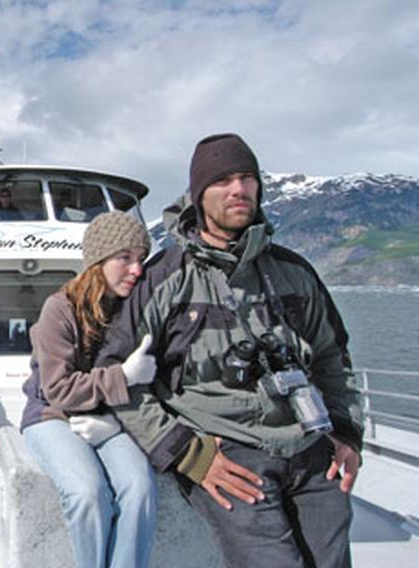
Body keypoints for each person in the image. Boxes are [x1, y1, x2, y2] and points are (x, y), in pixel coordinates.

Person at [96, 133, 363, 568]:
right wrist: (185, 453)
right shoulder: (165, 277)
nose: (239, 190)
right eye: (222, 180)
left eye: (247, 178)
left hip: (311, 448)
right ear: (199, 195)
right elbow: (114, 376)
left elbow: (333, 358)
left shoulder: (294, 273)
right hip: (228, 452)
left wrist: (347, 432)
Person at [20, 211, 159, 568]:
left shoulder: (134, 309)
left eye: (141, 259)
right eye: (125, 258)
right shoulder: (59, 309)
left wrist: (115, 422)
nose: (137, 269)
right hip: (52, 415)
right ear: (98, 260)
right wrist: (124, 377)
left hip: (107, 415)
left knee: (140, 488)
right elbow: (58, 390)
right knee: (87, 493)